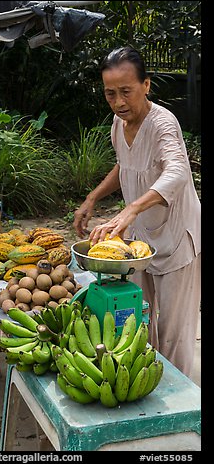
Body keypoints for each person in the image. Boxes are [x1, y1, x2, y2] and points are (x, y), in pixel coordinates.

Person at [73, 46, 201, 378]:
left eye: (126, 92)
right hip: (142, 242)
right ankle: (150, 387)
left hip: (176, 242)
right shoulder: (120, 122)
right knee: (138, 321)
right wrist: (93, 198)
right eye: (110, 93)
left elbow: (177, 172)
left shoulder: (164, 125)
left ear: (146, 85)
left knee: (174, 337)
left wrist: (131, 209)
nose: (118, 102)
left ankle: (185, 412)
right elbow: (125, 166)